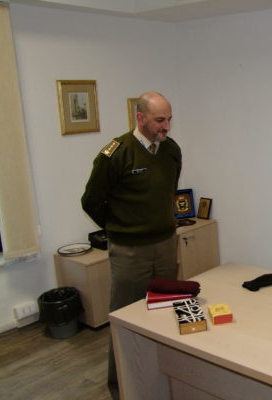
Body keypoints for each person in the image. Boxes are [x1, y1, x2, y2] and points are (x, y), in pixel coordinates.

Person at [81, 91, 181, 398]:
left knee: (165, 311)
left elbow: (167, 192)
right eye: (159, 120)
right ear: (140, 118)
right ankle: (121, 386)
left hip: (165, 244)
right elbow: (91, 201)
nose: (166, 127)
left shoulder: (171, 150)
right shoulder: (116, 153)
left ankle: (162, 377)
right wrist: (120, 228)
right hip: (130, 252)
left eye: (169, 120)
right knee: (125, 319)